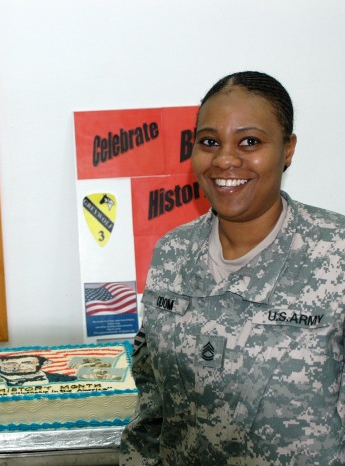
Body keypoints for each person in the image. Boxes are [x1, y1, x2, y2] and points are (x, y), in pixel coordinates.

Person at [120, 71, 345, 465]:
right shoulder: (173, 252)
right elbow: (152, 406)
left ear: (287, 149)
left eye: (250, 142)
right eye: (209, 142)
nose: (224, 159)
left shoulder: (336, 253)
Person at [0, 354, 77, 386]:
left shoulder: (64, 380)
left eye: (27, 363)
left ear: (44, 364)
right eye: (9, 364)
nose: (18, 367)